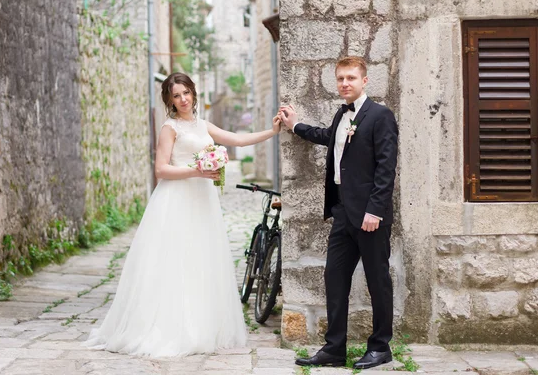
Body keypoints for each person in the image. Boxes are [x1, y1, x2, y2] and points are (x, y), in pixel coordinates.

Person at [84, 72, 281, 357]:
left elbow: (237, 140)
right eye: (176, 96)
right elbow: (161, 169)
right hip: (175, 200)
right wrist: (196, 171)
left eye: (186, 93)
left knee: (201, 260)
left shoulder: (202, 125)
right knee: (174, 261)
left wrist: (272, 132)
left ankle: (201, 326)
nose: (183, 99)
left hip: (202, 201)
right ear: (169, 100)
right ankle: (171, 328)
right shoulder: (170, 127)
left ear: (193, 93)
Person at [279, 56, 398, 370]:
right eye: (341, 79)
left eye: (351, 78)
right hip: (343, 212)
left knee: (378, 281)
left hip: (370, 216)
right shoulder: (341, 115)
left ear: (364, 81)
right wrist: (296, 126)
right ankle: (334, 349)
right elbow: (326, 138)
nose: (345, 83)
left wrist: (375, 211)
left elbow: (387, 168)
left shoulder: (380, 116)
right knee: (334, 278)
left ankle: (380, 347)